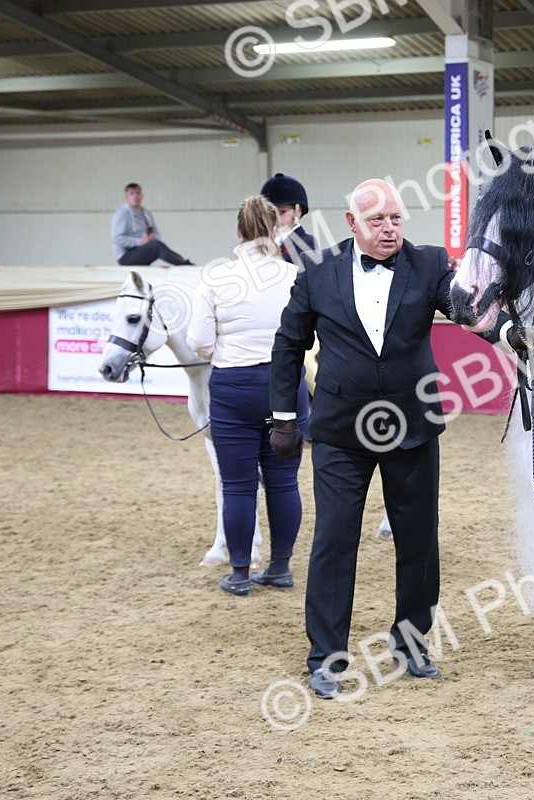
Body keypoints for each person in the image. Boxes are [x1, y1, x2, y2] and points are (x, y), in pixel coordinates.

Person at [267, 179, 515, 699]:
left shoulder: (430, 263)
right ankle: (326, 657)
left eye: (396, 218)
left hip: (413, 424)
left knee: (418, 538)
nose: (389, 229)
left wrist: (506, 329)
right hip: (340, 431)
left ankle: (411, 643)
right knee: (334, 540)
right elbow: (289, 344)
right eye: (377, 220)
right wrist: (284, 416)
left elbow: (466, 311)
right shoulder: (317, 271)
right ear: (351, 222)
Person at [185, 195, 310, 596]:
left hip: (233, 389)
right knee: (284, 483)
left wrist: (225, 351)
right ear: (275, 230)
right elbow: (308, 334)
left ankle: (239, 573)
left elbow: (199, 341)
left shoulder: (215, 277)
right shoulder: (293, 275)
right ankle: (280, 567)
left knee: (237, 485)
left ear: (238, 232)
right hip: (285, 386)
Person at [111, 183, 193, 266]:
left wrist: (152, 238)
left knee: (157, 244)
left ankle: (183, 263)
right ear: (126, 197)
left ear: (142, 196)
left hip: (143, 249)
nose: (135, 196)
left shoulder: (146, 213)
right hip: (126, 256)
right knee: (157, 246)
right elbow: (116, 238)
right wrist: (138, 241)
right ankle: (185, 264)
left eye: (138, 193)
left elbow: (156, 233)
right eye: (132, 194)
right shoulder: (121, 214)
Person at [260, 172, 318, 267]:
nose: (276, 218)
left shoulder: (306, 241)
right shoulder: (263, 241)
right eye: (270, 213)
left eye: (282, 212)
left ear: (298, 211)